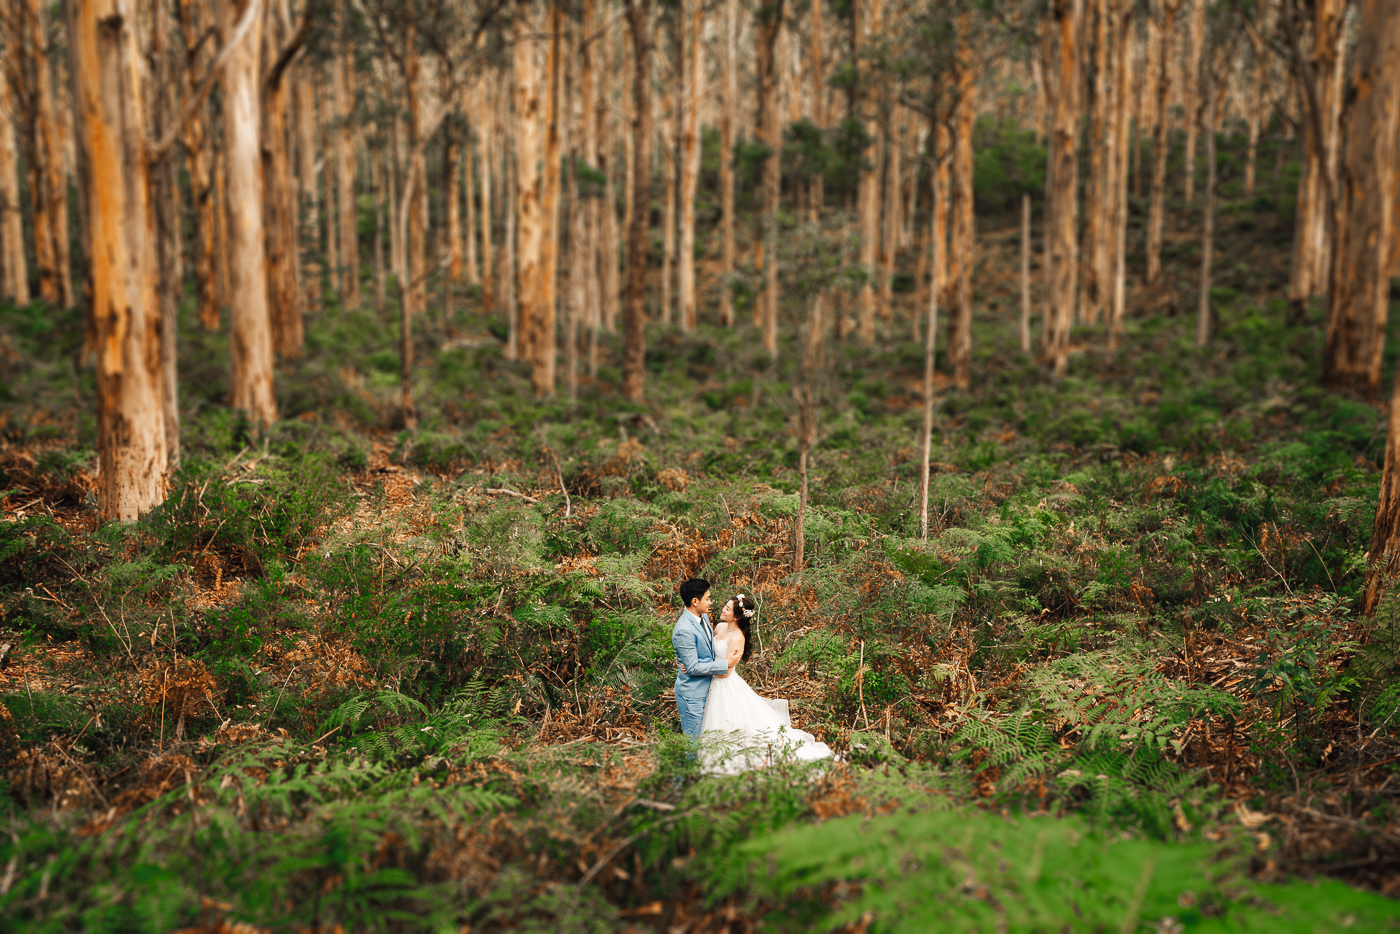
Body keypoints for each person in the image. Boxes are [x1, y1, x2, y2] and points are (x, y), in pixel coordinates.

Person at [699, 593, 834, 774]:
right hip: (713, 682)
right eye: (725, 606)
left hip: (724, 684)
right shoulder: (720, 627)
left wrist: (702, 668)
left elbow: (725, 673)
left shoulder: (738, 638)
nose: (723, 609)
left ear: (737, 616)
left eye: (728, 609)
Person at [671, 578, 739, 743]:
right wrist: (726, 663)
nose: (711, 602)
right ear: (695, 601)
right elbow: (693, 668)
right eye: (707, 598)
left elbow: (703, 655)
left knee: (708, 742)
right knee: (694, 743)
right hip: (692, 696)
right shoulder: (683, 630)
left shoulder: (704, 618)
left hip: (709, 690)